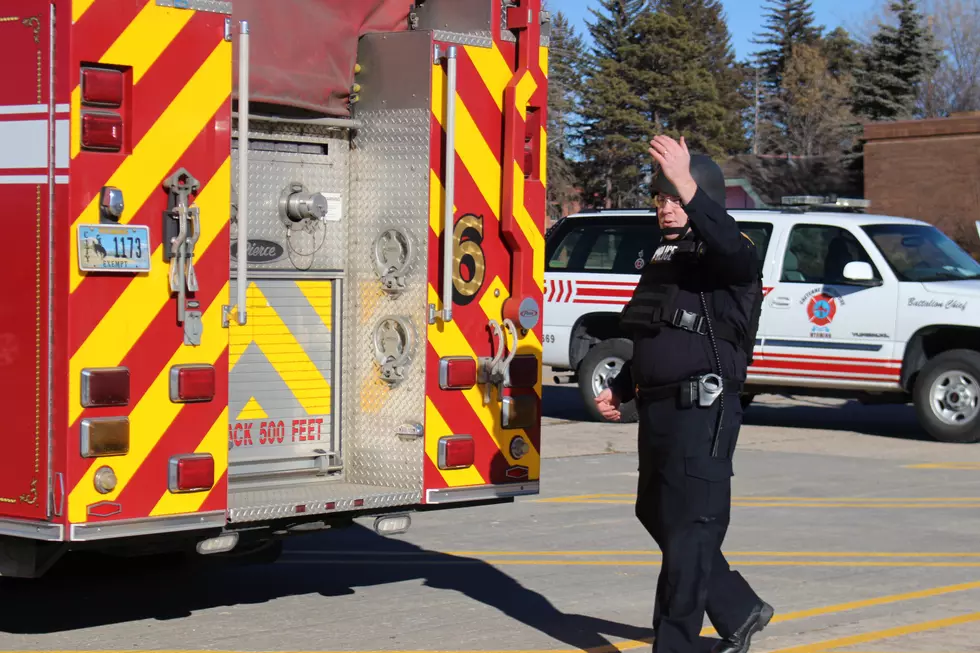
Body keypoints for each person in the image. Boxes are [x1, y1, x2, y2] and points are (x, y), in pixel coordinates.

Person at [594, 134, 773, 653]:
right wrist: (624, 385)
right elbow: (655, 330)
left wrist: (690, 186)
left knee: (692, 528)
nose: (666, 207)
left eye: (675, 197)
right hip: (659, 407)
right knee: (655, 512)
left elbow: (728, 247)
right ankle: (739, 609)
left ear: (702, 197)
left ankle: (675, 646)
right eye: (661, 197)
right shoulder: (665, 258)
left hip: (705, 409)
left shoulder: (732, 253)